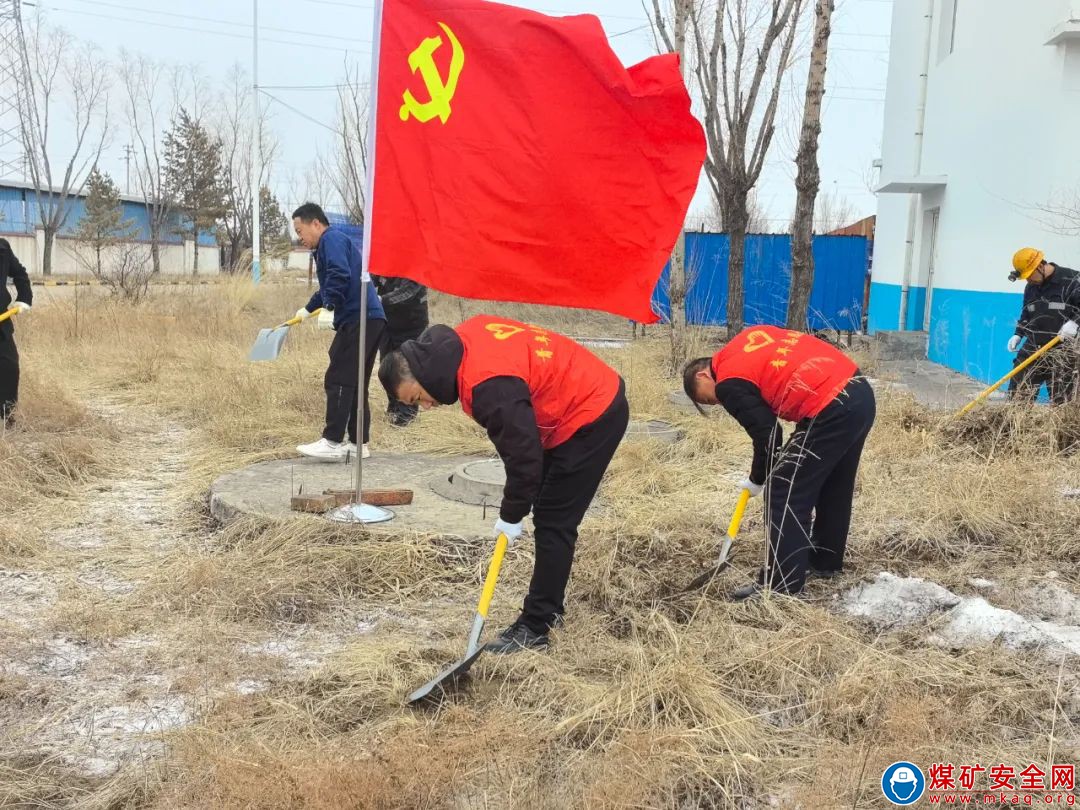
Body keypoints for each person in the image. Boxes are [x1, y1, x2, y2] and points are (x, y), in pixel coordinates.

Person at [378, 315, 629, 653]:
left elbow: (524, 462)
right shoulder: (460, 340)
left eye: (416, 398)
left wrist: (510, 515)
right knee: (547, 508)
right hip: (576, 396)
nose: (426, 406)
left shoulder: (488, 386)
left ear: (423, 374)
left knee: (555, 520)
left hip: (592, 411)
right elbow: (525, 450)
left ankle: (537, 625)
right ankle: (548, 608)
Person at [682, 325, 876, 600]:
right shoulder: (745, 341)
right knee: (833, 483)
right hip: (858, 392)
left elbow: (769, 434)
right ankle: (824, 561)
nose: (718, 402)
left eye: (707, 398)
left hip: (830, 404)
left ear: (703, 374)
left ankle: (781, 586)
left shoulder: (727, 380)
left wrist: (758, 478)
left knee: (782, 491)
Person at [291, 203, 386, 461]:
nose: (299, 237)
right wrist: (306, 310)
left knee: (339, 378)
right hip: (371, 318)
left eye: (300, 230)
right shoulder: (331, 243)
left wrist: (330, 307)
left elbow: (339, 275)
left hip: (358, 318)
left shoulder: (330, 239)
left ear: (316, 224)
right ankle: (358, 444)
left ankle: (332, 442)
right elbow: (328, 286)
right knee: (356, 384)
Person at [1006, 247, 1080, 405]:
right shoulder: (1031, 287)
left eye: (1029, 275)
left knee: (1064, 403)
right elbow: (1027, 313)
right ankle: (1016, 427)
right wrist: (1018, 333)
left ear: (1040, 265)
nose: (1028, 281)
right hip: (1034, 347)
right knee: (1018, 394)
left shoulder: (1072, 279)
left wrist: (1075, 323)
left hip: (1063, 351)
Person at [372, 275, 428, 426]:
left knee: (406, 368)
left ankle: (406, 415)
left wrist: (380, 300)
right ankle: (394, 406)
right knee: (387, 366)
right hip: (388, 323)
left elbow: (408, 292)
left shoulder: (414, 262)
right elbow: (371, 279)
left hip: (412, 323)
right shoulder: (384, 262)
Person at [0, 238, 32, 427]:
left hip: (1, 322)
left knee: (9, 367)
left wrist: (24, 298)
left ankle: (8, 415)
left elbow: (20, 274)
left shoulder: (2, 249)